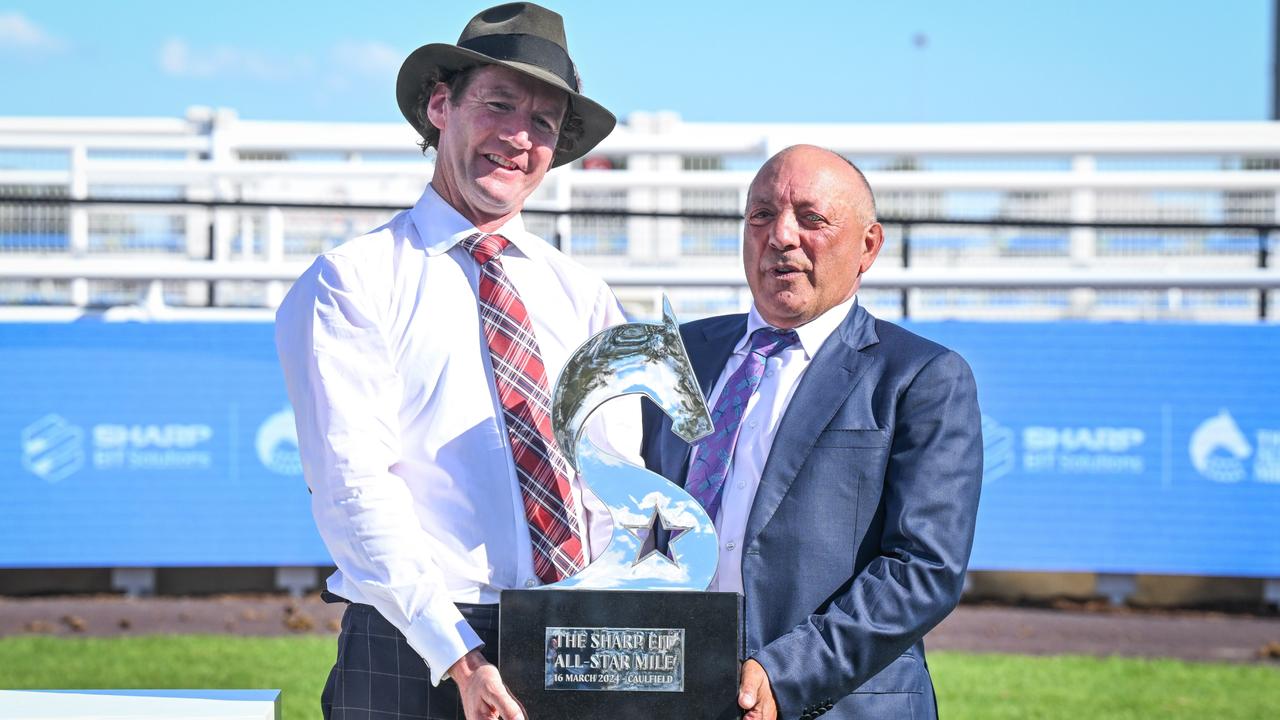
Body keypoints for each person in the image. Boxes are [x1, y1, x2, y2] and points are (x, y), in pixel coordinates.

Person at [275, 4, 634, 719]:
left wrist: (607, 624)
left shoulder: (585, 295)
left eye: (542, 122)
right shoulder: (354, 279)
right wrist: (458, 654)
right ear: (440, 105)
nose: (517, 137)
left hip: (568, 640)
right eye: (498, 104)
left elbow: (614, 482)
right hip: (414, 648)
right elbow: (353, 490)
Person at [641, 145, 983, 720]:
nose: (781, 236)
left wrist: (787, 672)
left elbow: (924, 567)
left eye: (811, 218)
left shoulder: (921, 377)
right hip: (671, 695)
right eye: (761, 216)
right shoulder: (675, 355)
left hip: (829, 704)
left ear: (868, 246)